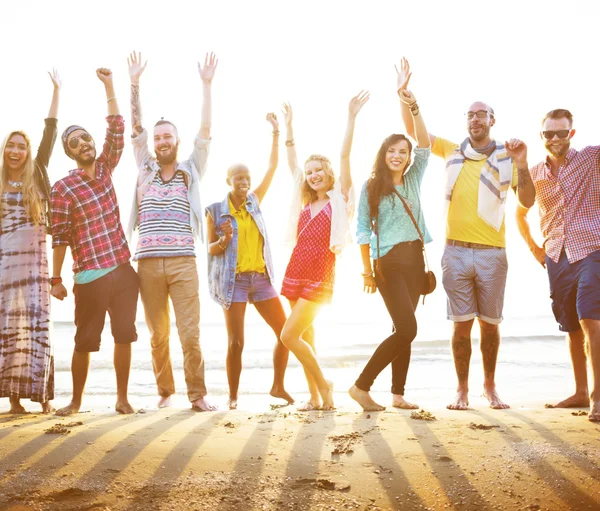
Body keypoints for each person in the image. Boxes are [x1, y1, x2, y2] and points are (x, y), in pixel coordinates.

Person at [399, 58, 536, 410]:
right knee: (461, 327)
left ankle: (489, 387)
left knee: (490, 326)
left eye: (482, 114)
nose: (475, 119)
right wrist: (408, 99)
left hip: (493, 252)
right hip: (456, 251)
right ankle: (461, 390)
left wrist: (522, 162)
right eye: (470, 114)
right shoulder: (453, 151)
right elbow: (418, 135)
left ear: (492, 120)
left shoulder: (508, 156)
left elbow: (528, 201)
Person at [126, 51, 218, 411]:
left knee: (190, 334)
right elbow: (136, 127)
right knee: (158, 335)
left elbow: (206, 132)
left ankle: (197, 395)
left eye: (168, 137)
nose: (163, 141)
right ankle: (165, 392)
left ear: (176, 142)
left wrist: (206, 85)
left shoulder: (190, 169)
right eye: (159, 137)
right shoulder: (145, 166)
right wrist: (134, 82)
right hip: (147, 263)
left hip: (182, 263)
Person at [50, 68, 139, 416]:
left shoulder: (105, 168)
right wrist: (55, 279)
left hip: (122, 269)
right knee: (85, 341)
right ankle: (75, 401)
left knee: (124, 335)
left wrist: (109, 85)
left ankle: (122, 398)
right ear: (70, 153)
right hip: (88, 276)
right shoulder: (62, 189)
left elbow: (117, 128)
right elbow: (59, 237)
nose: (84, 144)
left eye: (86, 138)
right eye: (75, 142)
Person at [280, 92, 369, 411]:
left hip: (321, 270)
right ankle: (318, 397)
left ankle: (325, 384)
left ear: (328, 172)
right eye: (310, 171)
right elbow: (292, 165)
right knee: (307, 336)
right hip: (296, 267)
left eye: (319, 169)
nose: (313, 174)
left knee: (288, 336)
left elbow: (345, 155)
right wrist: (289, 129)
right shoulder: (305, 200)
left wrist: (351, 117)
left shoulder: (339, 199)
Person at [349, 66, 431, 412]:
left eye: (402, 152)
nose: (397, 156)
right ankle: (360, 387)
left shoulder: (412, 180)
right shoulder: (372, 187)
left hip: (416, 260)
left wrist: (411, 104)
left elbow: (425, 143)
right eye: (391, 152)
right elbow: (362, 233)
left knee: (404, 327)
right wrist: (367, 271)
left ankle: (397, 394)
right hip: (389, 264)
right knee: (407, 328)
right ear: (383, 155)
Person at [515, 109, 600, 423]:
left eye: (561, 133)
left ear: (571, 134)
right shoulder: (534, 172)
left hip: (592, 248)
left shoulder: (591, 159)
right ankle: (579, 391)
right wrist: (536, 249)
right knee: (571, 326)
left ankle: (597, 398)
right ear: (542, 137)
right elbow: (521, 209)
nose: (555, 139)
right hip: (556, 255)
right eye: (548, 134)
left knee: (590, 317)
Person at [206, 114, 293, 410]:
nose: (244, 182)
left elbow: (273, 167)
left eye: (246, 178)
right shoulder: (216, 210)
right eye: (238, 178)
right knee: (236, 343)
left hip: (262, 279)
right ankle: (232, 397)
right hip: (235, 283)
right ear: (229, 181)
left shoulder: (255, 201)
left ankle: (278, 386)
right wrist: (224, 240)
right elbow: (210, 249)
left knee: (287, 333)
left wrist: (276, 133)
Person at [0, 70, 61, 414]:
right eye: (11, 144)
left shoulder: (36, 172)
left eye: (21, 146)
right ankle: (12, 400)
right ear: (4, 149)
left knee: (37, 324)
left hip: (36, 263)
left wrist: (56, 91)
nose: (16, 150)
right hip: (5, 264)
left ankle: (44, 398)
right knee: (9, 327)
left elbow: (50, 131)